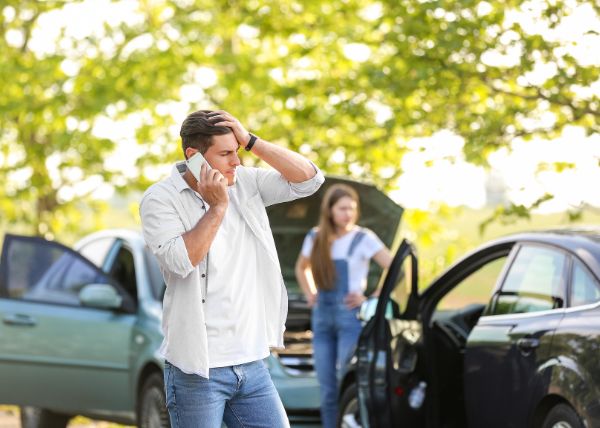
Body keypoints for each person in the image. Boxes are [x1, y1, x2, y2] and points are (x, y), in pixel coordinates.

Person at [140, 109, 324, 428]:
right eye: (226, 154)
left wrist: (252, 141)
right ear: (194, 156)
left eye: (236, 151)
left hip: (251, 364)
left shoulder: (246, 182)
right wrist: (218, 207)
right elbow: (181, 260)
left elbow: (309, 180)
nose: (236, 162)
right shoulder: (160, 199)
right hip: (197, 369)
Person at [295, 183, 392, 428]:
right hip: (322, 318)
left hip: (351, 319)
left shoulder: (363, 238)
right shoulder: (315, 237)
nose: (348, 214)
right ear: (329, 210)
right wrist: (310, 293)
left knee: (345, 382)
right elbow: (301, 267)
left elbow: (394, 267)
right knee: (327, 388)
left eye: (352, 208)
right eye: (342, 208)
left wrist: (371, 298)